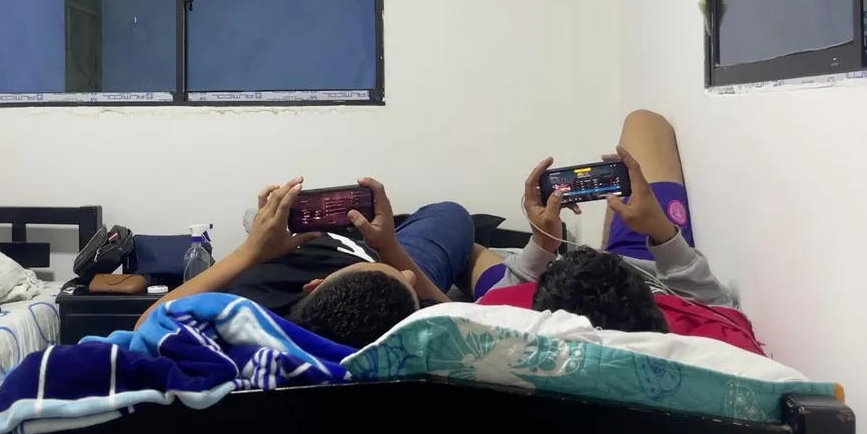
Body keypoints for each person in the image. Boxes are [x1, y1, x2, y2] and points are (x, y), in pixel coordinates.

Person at [469, 110, 764, 355]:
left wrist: (542, 245)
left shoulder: (510, 317)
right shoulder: (713, 340)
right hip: (649, 273)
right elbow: (724, 312)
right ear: (657, 316)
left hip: (567, 292)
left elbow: (479, 309)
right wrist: (661, 231)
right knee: (643, 121)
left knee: (471, 250)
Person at [135, 177, 474, 349]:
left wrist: (249, 251)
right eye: (405, 280)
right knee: (451, 214)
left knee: (265, 218)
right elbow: (464, 320)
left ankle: (268, 231)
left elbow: (146, 326)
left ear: (316, 284)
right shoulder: (398, 304)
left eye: (400, 277)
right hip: (372, 250)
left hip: (278, 253)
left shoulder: (251, 314)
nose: (408, 276)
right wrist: (387, 248)